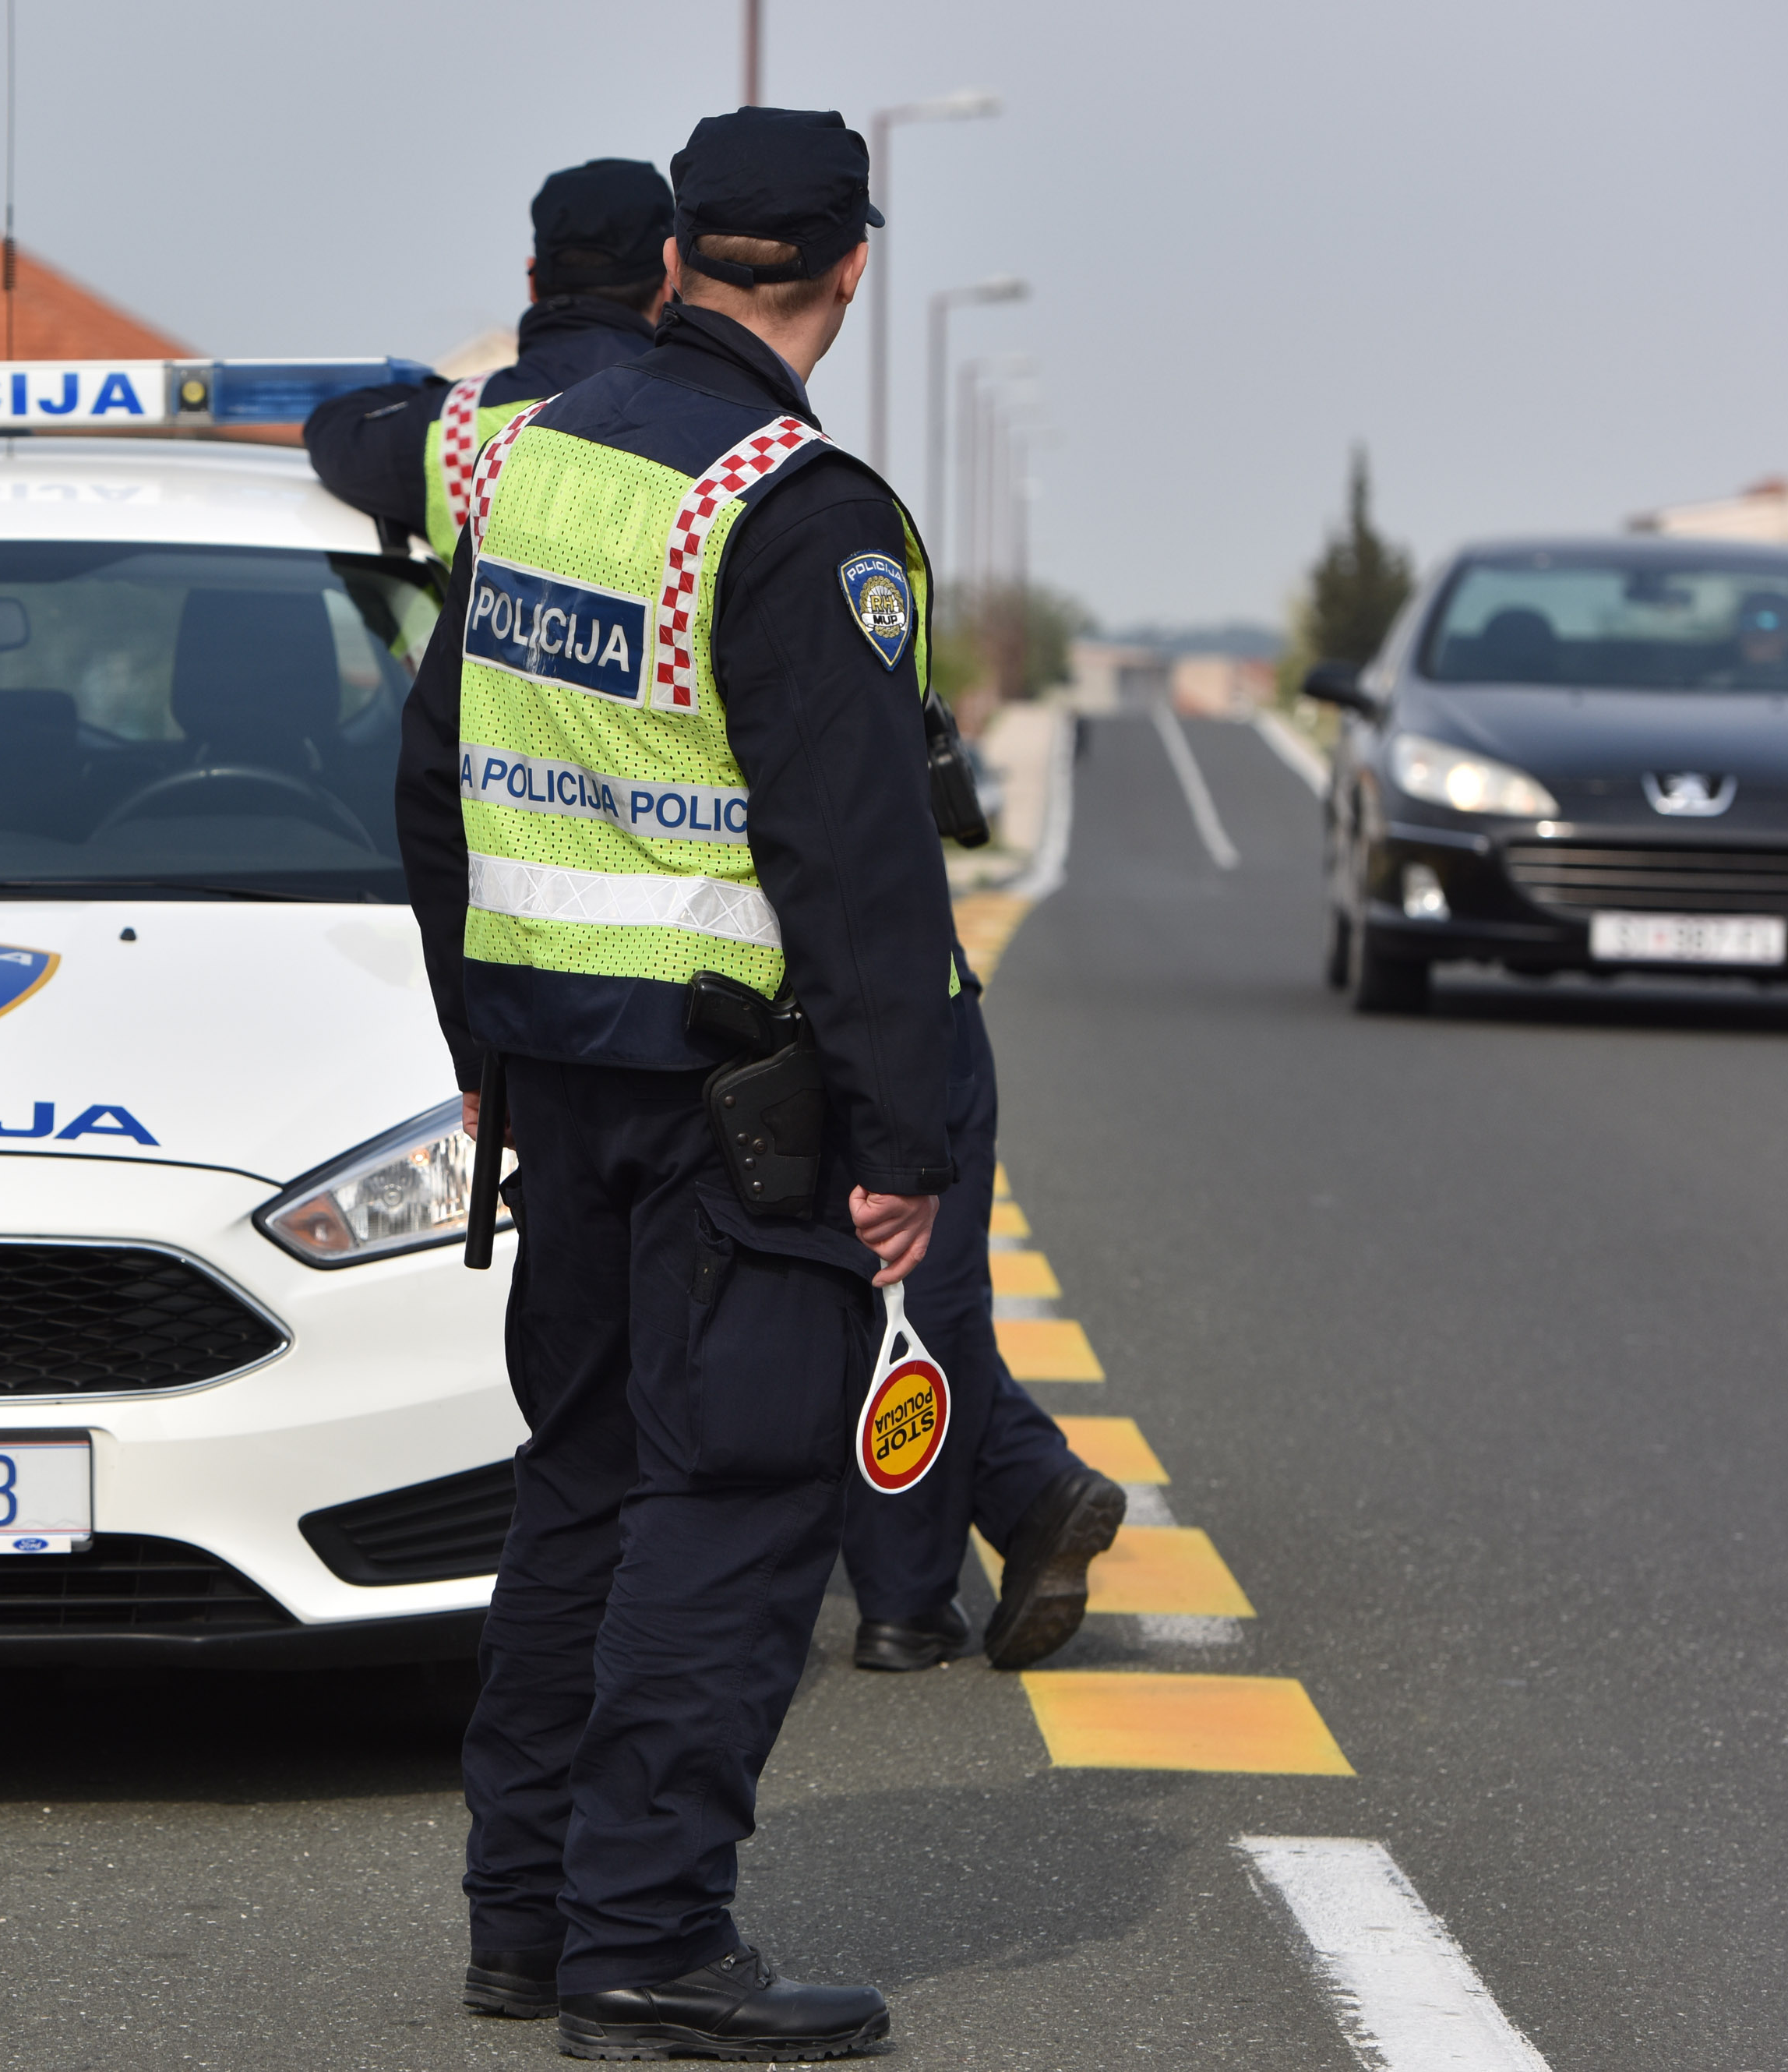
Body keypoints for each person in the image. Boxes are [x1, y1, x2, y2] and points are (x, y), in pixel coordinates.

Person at [398, 105, 961, 2061]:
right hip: (742, 1103)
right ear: (848, 271)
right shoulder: (799, 508)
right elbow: (859, 867)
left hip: (560, 1075)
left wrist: (480, 1041)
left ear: (670, 260)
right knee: (724, 1506)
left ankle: (529, 1914)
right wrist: (912, 1143)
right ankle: (646, 1933)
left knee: (579, 1488)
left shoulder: (536, 466)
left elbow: (433, 778)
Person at [838, 972, 1127, 1673]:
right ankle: (996, 1506)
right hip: (896, 996)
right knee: (914, 1280)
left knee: (857, 1282)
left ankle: (1021, 1488)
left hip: (696, 1004)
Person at [304, 157, 673, 556]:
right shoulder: (711, 426)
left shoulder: (451, 429)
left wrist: (435, 394)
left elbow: (333, 428)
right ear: (669, 286)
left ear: (533, 281)